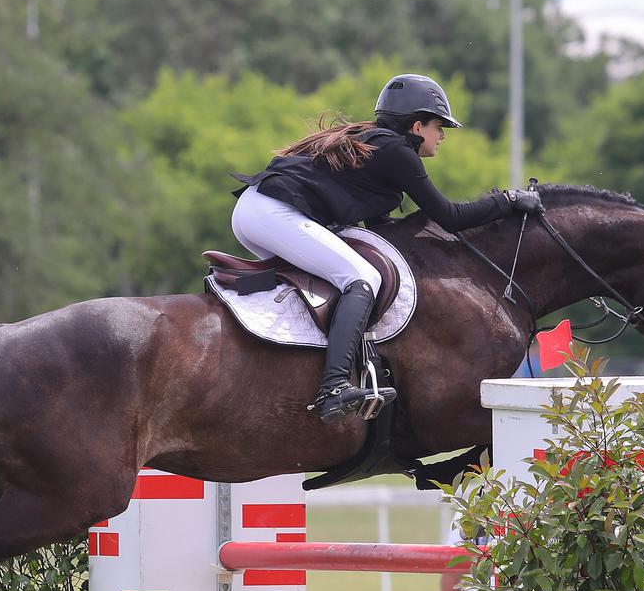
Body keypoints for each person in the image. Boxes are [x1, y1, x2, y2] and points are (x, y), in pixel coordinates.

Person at [230, 73, 542, 422]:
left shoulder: (380, 148)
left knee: (334, 282)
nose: (442, 136)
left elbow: (383, 228)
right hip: (273, 212)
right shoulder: (396, 152)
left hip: (258, 211)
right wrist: (508, 201)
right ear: (418, 125)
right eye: (440, 127)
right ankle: (333, 388)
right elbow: (449, 215)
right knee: (361, 278)